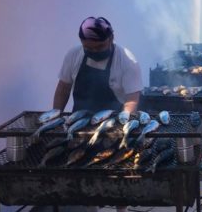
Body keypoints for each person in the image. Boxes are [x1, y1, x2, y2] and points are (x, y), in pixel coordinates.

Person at [53, 16, 143, 212]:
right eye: (88, 48)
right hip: (82, 123)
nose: (93, 52)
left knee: (118, 170)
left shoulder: (127, 61)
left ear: (111, 38)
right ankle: (92, 208)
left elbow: (132, 98)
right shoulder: (74, 55)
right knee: (85, 169)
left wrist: (122, 122)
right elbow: (63, 88)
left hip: (115, 123)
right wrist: (56, 116)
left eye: (99, 47)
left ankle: (121, 209)